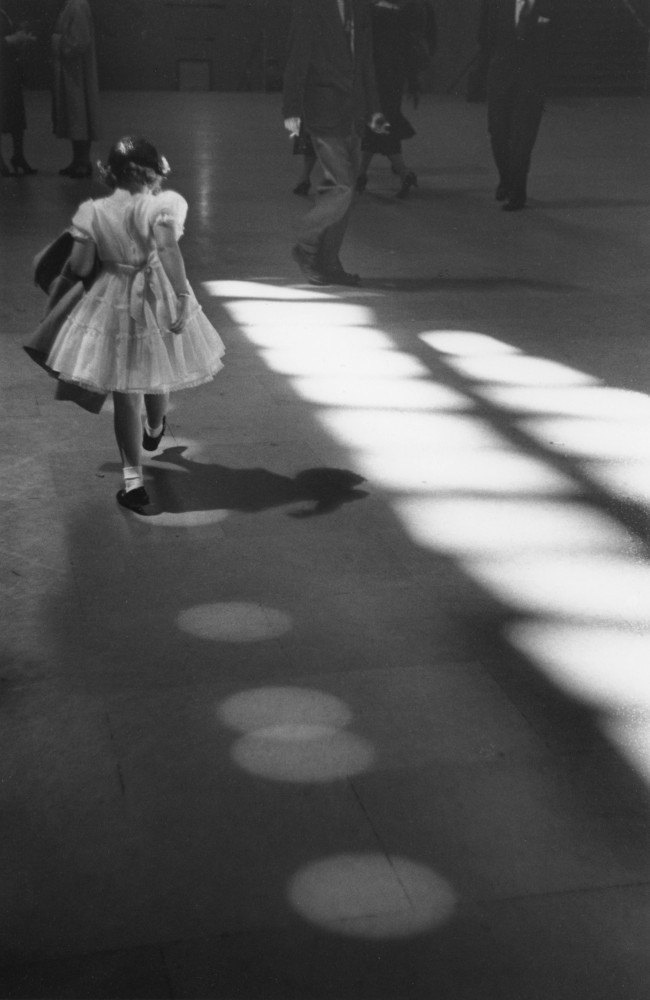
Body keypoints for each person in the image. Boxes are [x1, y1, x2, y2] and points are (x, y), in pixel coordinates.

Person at [40, 136, 225, 515]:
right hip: (158, 291)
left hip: (115, 296)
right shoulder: (164, 205)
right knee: (159, 365)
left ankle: (134, 483)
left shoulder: (92, 211)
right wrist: (182, 295)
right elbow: (169, 249)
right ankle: (155, 429)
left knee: (126, 391)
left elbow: (78, 266)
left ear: (110, 173)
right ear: (156, 173)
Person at [282, 0, 388, 287]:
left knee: (345, 191)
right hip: (323, 109)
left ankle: (328, 261)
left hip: (353, 112)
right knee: (343, 186)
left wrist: (374, 110)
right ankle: (305, 244)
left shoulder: (359, 7)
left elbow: (365, 62)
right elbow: (297, 55)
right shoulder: (310, 6)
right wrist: (291, 107)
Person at [478, 0, 554, 211]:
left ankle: (518, 191)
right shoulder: (495, 4)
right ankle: (506, 179)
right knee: (497, 132)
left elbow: (559, 41)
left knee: (523, 137)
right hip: (500, 76)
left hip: (532, 81)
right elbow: (484, 36)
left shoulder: (551, 5)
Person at [356, 0, 429, 199]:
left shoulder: (372, 14)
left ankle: (402, 173)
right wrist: (413, 81)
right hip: (393, 78)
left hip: (378, 77)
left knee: (379, 124)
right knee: (382, 124)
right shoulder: (402, 14)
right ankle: (362, 174)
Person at [52, 0, 100, 178]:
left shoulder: (78, 5)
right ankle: (77, 160)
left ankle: (83, 161)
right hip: (72, 71)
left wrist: (58, 44)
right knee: (76, 116)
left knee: (80, 115)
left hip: (77, 72)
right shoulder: (72, 4)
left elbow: (81, 39)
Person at [0, 4, 37, 176]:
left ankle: (18, 155)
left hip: (8, 71)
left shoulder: (3, 11)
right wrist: (12, 40)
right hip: (3, 71)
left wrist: (19, 39)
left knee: (15, 116)